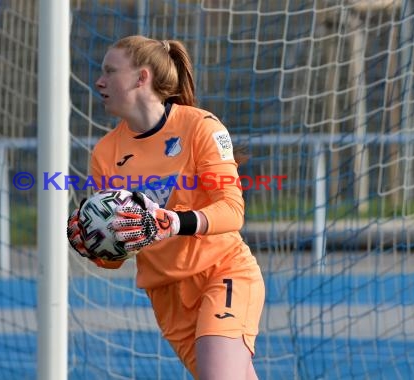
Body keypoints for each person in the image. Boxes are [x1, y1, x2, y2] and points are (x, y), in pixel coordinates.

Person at [67, 35, 265, 380]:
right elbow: (116, 255)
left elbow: (232, 211)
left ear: (141, 78)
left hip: (223, 272)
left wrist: (174, 221)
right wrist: (93, 243)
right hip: (168, 297)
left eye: (110, 71)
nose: (99, 81)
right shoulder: (105, 153)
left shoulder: (200, 126)